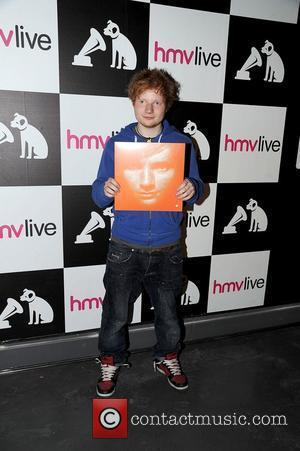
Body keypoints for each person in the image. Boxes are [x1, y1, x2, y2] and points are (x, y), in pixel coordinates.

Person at [92, 68, 203, 397]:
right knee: (115, 314)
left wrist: (190, 188)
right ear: (133, 102)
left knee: (168, 314)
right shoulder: (116, 144)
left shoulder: (182, 144)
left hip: (168, 247)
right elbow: (97, 195)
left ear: (167, 105)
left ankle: (167, 356)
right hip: (125, 245)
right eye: (143, 101)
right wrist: (106, 188)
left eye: (157, 101)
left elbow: (197, 189)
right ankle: (110, 360)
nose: (150, 108)